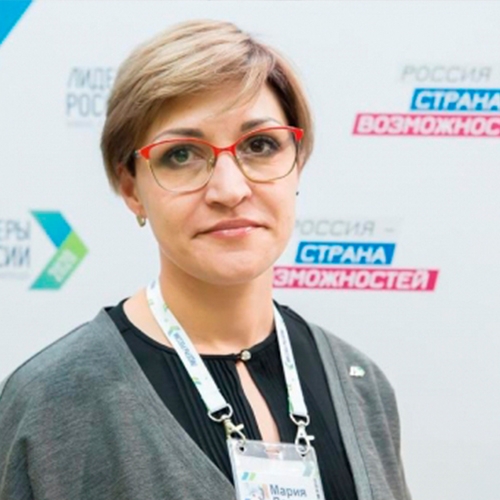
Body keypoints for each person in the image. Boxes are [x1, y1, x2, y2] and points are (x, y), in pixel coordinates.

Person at [0, 20, 411, 500]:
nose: (230, 190)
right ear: (132, 188)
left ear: (296, 163)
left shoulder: (361, 386)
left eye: (260, 145)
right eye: (181, 155)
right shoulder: (54, 401)